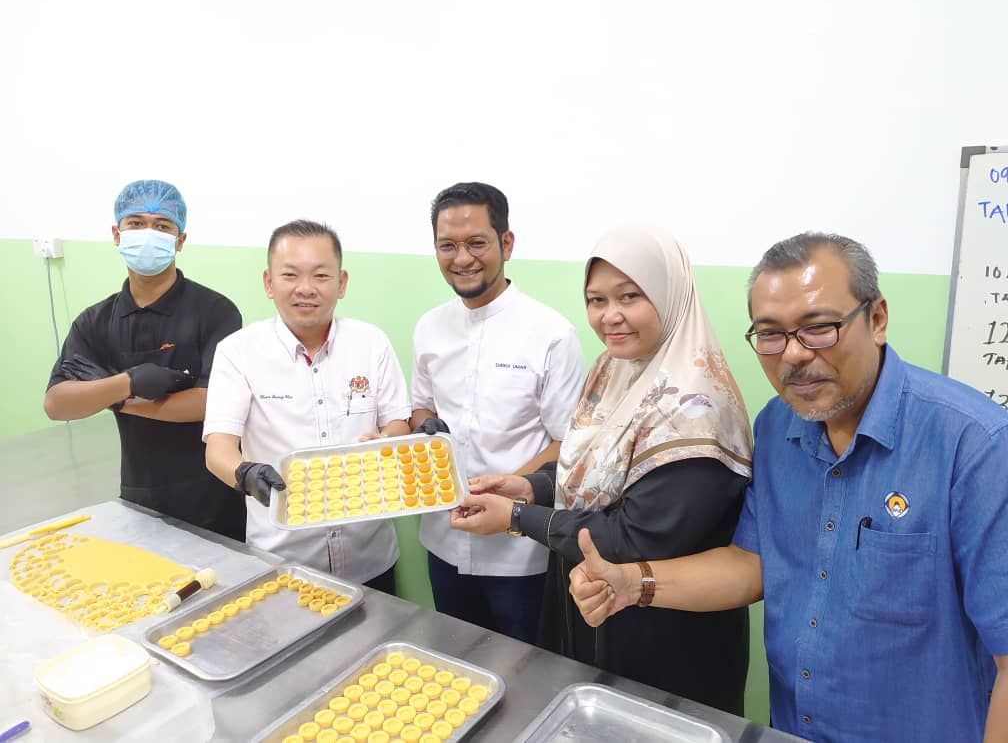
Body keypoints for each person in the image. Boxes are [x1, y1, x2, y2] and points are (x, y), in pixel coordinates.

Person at [569, 232, 1008, 742]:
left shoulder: (973, 445)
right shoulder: (779, 427)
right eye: (770, 334)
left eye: (819, 328)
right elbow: (750, 564)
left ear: (877, 319)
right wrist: (633, 583)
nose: (794, 354)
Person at [450, 227, 753, 713]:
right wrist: (531, 486)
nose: (610, 315)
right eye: (596, 300)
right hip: (592, 604)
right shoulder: (614, 369)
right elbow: (592, 466)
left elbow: (631, 538)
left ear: (670, 295)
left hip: (665, 636)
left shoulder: (696, 408)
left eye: (630, 296)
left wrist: (517, 517)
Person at [410, 182, 584, 642]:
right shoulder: (429, 327)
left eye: (476, 243)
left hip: (520, 552)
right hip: (443, 539)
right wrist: (424, 426)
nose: (462, 258)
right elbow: (421, 407)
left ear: (506, 243)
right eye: (447, 246)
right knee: (454, 661)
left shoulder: (551, 334)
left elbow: (569, 443)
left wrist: (502, 496)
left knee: (527, 669)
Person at [204, 219, 410, 593]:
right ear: (269, 283)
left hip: (370, 554)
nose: (305, 288)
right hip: (281, 561)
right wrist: (247, 474)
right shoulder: (238, 351)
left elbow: (398, 422)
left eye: (320, 275)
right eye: (290, 275)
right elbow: (218, 450)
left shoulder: (371, 343)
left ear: (341, 283)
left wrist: (385, 441)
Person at [44, 179, 245, 540]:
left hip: (214, 496)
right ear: (116, 234)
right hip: (140, 496)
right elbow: (58, 404)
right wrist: (127, 382)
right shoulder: (95, 321)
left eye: (163, 226)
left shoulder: (215, 311)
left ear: (180, 240)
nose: (148, 234)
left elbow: (211, 402)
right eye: (136, 223)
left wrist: (114, 398)